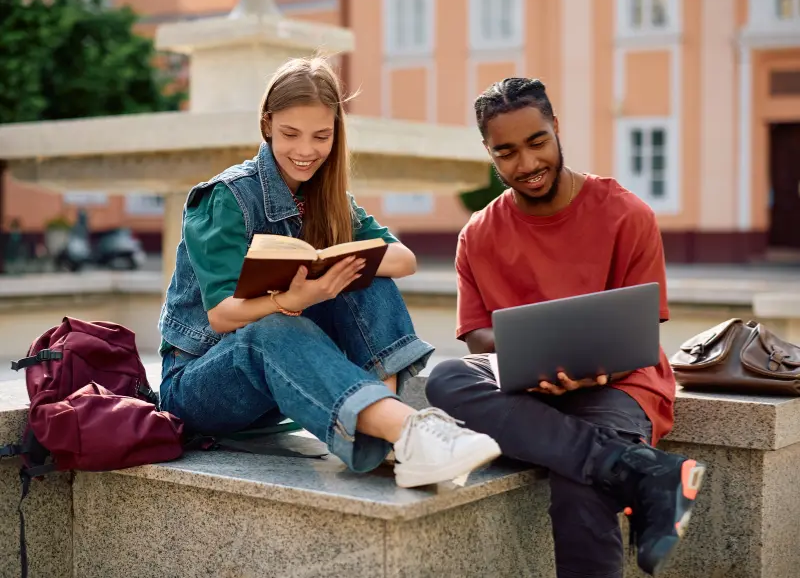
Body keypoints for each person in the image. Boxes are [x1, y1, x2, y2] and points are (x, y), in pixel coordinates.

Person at [157, 57, 501, 489]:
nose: (306, 151)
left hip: (279, 389)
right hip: (201, 386)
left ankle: (393, 443)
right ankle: (409, 431)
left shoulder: (329, 198)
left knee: (367, 273)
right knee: (273, 327)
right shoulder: (227, 198)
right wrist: (293, 299)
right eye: (290, 134)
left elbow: (405, 259)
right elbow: (221, 315)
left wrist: (330, 259)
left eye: (321, 136)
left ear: (336, 131)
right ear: (267, 125)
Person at [425, 78, 706, 577]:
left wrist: (592, 367)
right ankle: (637, 471)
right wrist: (539, 363)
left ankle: (617, 468)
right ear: (489, 153)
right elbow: (477, 339)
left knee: (579, 487)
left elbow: (640, 329)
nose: (527, 164)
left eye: (537, 143)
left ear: (556, 128)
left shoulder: (627, 215)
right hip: (529, 389)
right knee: (447, 378)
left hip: (620, 383)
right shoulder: (478, 234)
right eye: (506, 152)